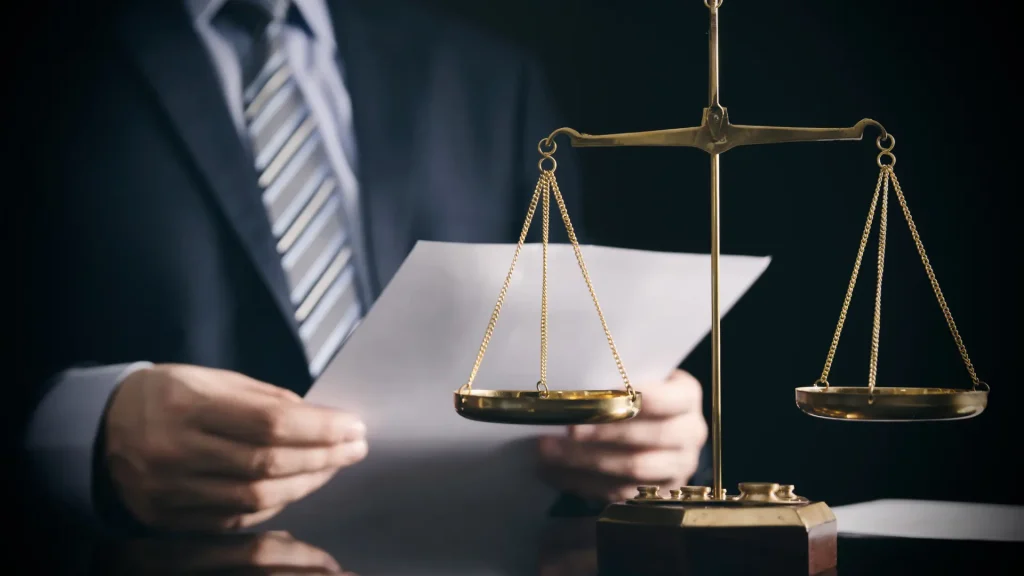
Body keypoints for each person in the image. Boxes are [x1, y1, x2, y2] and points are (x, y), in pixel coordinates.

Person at [14, 0, 708, 532]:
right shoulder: (57, 54)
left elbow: (576, 360)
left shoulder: (484, 78)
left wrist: (648, 452)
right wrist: (79, 436)